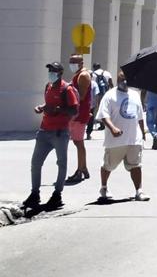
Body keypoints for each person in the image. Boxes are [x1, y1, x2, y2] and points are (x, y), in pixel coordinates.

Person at [23, 62, 79, 210]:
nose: (50, 73)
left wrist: (57, 109)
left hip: (60, 132)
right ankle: (35, 193)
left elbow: (74, 111)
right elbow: (48, 103)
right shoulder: (48, 86)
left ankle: (57, 194)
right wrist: (42, 107)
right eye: (49, 71)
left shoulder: (67, 89)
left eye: (53, 71)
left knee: (61, 164)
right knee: (35, 163)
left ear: (60, 73)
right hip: (44, 130)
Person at [96, 70, 149, 203]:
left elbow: (140, 116)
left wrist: (142, 132)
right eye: (121, 79)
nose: (124, 82)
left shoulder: (135, 95)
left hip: (134, 138)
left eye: (126, 79)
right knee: (108, 165)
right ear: (117, 80)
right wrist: (112, 128)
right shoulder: (109, 95)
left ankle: (139, 191)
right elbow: (103, 115)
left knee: (136, 165)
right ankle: (104, 188)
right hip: (115, 140)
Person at [65, 55, 93, 184]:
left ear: (81, 63)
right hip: (78, 113)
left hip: (79, 114)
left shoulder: (83, 76)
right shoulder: (79, 74)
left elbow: (80, 96)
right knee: (78, 142)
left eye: (74, 62)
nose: (71, 64)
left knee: (78, 142)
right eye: (70, 62)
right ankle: (84, 168)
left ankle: (80, 170)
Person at [88, 63, 113, 138]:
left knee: (97, 109)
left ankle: (101, 124)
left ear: (94, 67)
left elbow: (92, 85)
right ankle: (104, 124)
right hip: (106, 93)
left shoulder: (93, 74)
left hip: (98, 94)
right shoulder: (107, 73)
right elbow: (111, 83)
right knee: (106, 109)